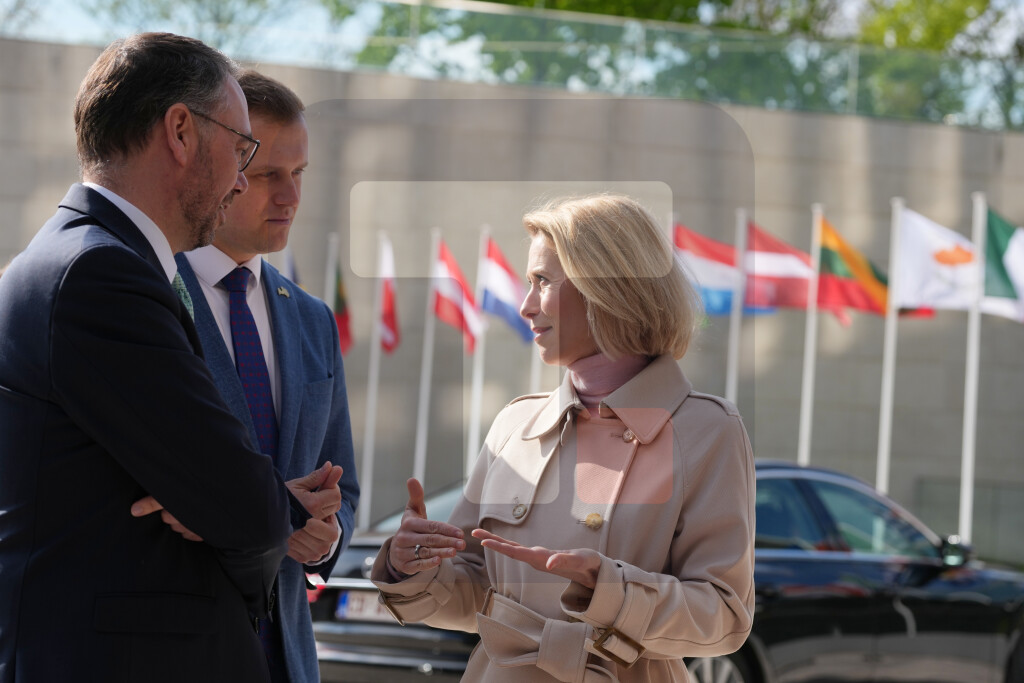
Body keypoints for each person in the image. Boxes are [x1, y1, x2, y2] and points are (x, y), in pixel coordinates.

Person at [0, 33, 331, 683]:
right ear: (180, 131)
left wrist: (225, 501)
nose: (242, 179)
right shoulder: (100, 274)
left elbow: (232, 498)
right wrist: (244, 505)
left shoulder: (86, 259)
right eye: (241, 150)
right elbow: (248, 510)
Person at [371, 193, 755, 682]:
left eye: (542, 282)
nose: (526, 306)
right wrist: (412, 567)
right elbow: (477, 594)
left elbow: (724, 616)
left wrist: (610, 590)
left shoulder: (707, 429)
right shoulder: (515, 424)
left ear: (606, 288)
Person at [171, 69, 359, 683]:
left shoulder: (312, 319)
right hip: (179, 649)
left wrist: (325, 536)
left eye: (299, 173)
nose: (291, 197)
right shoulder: (146, 295)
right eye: (267, 174)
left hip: (288, 660)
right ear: (218, 166)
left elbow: (345, 486)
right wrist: (272, 518)